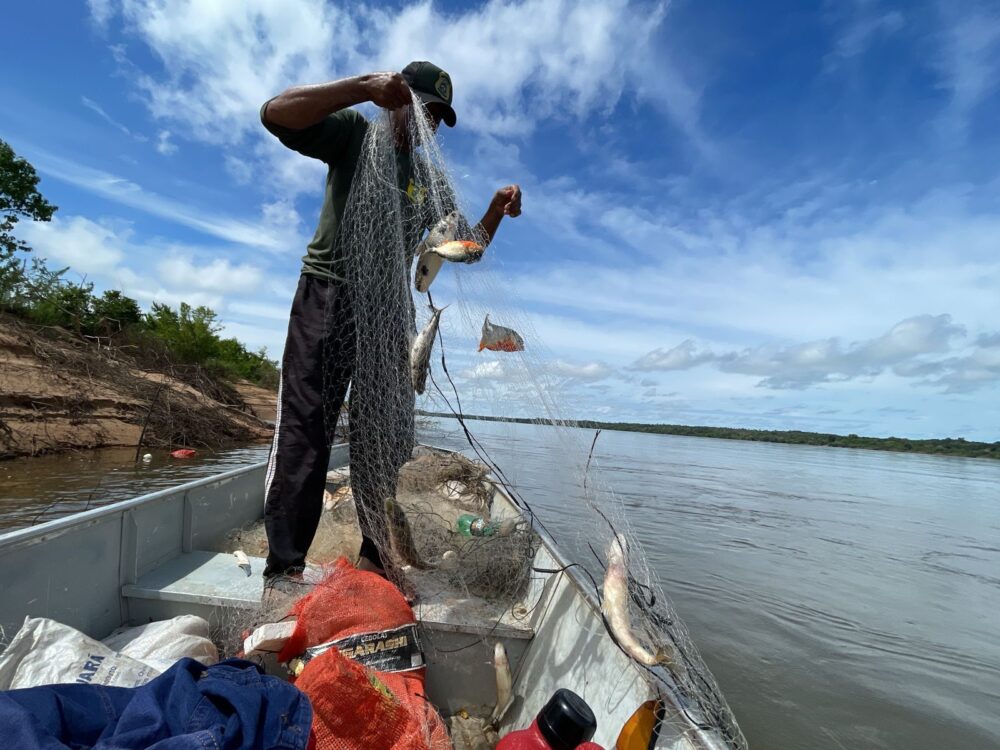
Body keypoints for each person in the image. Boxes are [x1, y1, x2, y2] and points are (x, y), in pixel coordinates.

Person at [259, 61, 522, 584]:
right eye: (423, 107)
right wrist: (360, 87)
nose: (428, 122)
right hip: (328, 296)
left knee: (384, 441)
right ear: (397, 98)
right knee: (305, 435)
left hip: (387, 314)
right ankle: (284, 567)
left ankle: (375, 563)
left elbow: (465, 247)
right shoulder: (355, 135)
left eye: (438, 117)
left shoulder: (431, 179)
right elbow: (276, 116)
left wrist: (493, 211)